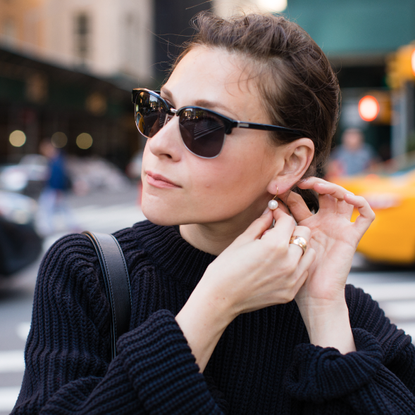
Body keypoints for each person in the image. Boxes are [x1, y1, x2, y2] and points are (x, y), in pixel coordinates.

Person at [13, 12, 415, 415]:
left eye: (202, 126)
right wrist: (214, 303)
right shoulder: (87, 274)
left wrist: (324, 310)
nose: (159, 144)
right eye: (157, 109)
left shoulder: (347, 313)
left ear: (290, 163)